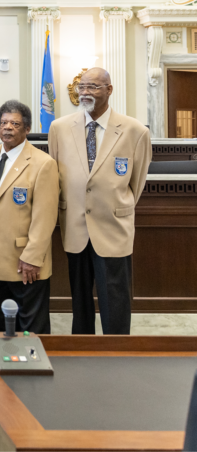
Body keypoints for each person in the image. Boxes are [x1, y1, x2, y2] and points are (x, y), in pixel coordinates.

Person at [48, 67, 151, 335]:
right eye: (82, 86)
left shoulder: (135, 131)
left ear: (109, 90)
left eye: (93, 87)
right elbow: (56, 178)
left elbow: (135, 184)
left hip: (113, 228)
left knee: (115, 300)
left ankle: (117, 357)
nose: (85, 92)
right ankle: (82, 353)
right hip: (75, 226)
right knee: (79, 302)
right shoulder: (59, 128)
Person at [0, 100, 59, 336]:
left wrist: (32, 257)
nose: (7, 128)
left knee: (31, 325)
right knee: (1, 320)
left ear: (27, 129)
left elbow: (45, 217)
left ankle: (33, 369)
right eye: (3, 123)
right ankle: (6, 363)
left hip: (24, 260)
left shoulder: (43, 164)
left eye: (14, 123)